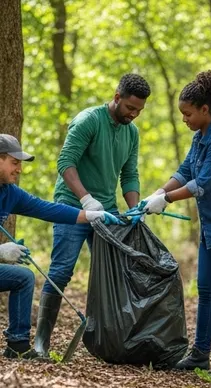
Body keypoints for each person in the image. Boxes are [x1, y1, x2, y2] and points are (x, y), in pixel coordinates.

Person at [140, 71, 211, 382]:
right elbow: (183, 172)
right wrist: (158, 192)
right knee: (205, 291)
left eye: (188, 113)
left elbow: (200, 184)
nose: (185, 119)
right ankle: (200, 354)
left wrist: (166, 200)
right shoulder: (200, 137)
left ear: (205, 110)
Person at [35, 74, 151, 358]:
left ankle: (109, 342)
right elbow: (65, 162)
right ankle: (41, 342)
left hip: (107, 211)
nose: (133, 115)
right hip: (72, 205)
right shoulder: (88, 120)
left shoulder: (131, 132)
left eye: (138, 110)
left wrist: (135, 207)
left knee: (113, 274)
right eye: (129, 108)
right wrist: (86, 200)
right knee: (61, 271)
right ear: (116, 97)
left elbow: (130, 173)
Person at [0, 135, 121, 360]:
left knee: (24, 277)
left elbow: (47, 209)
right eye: (14, 163)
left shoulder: (9, 192)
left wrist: (91, 214)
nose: (19, 170)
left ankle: (17, 345)